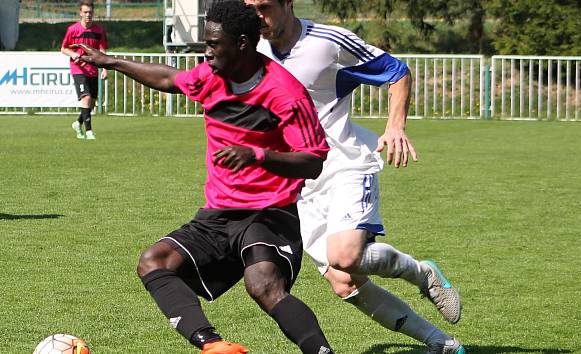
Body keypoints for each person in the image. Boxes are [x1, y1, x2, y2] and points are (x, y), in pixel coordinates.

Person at [73, 2, 335, 354]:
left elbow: (312, 161)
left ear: (242, 43)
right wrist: (111, 61)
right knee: (154, 261)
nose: (206, 52)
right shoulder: (211, 77)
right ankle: (213, 346)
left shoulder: (285, 93)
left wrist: (258, 155)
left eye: (213, 44)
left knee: (264, 285)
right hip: (219, 213)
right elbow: (168, 79)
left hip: (269, 213)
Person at [244, 0, 465, 353]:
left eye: (264, 6)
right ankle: (442, 344)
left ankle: (422, 273)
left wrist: (395, 126)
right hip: (298, 184)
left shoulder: (326, 42)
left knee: (345, 255)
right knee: (344, 282)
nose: (257, 14)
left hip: (342, 163)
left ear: (287, 2)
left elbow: (396, 71)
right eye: (248, 6)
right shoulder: (248, 46)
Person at [61, 0, 108, 140]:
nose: (88, 15)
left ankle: (78, 123)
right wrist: (74, 54)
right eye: (85, 12)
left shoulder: (99, 31)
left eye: (90, 12)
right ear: (80, 13)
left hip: (93, 69)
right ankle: (89, 131)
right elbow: (64, 48)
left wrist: (105, 68)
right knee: (86, 98)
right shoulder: (73, 30)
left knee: (92, 102)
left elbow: (102, 50)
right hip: (78, 69)